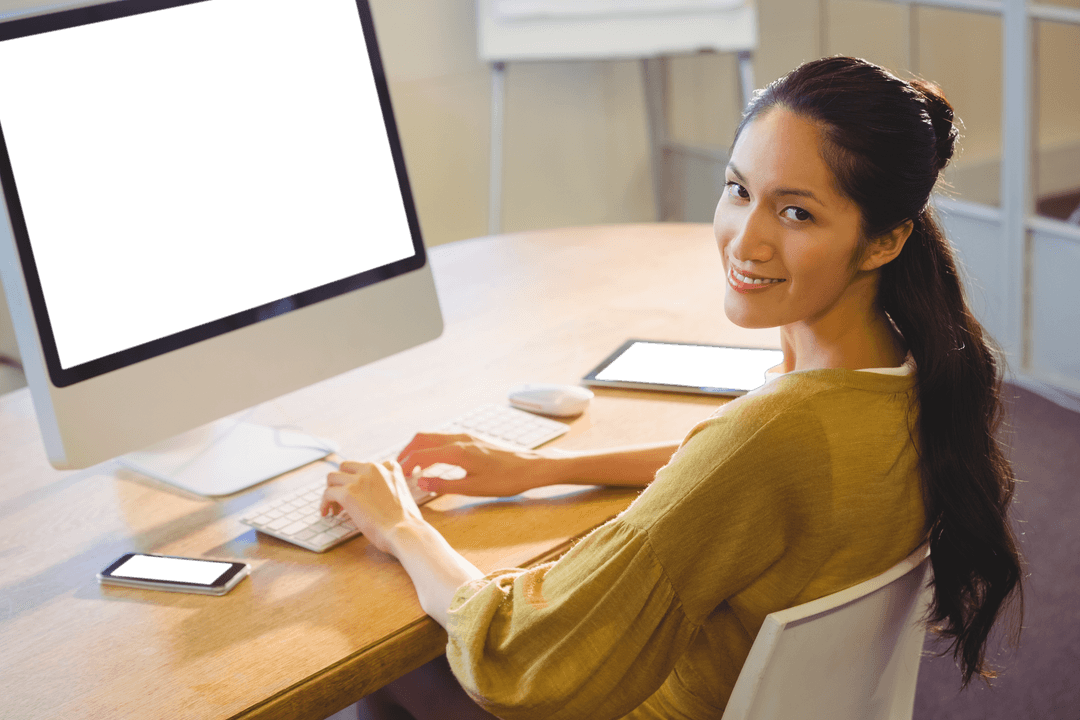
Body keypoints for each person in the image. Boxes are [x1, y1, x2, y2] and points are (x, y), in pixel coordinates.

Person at [322, 56, 1024, 720]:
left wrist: (401, 526)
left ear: (882, 242)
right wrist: (539, 470)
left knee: (401, 660)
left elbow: (524, 646)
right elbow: (731, 475)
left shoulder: (778, 433)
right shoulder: (903, 375)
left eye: (796, 212)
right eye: (739, 190)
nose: (744, 241)